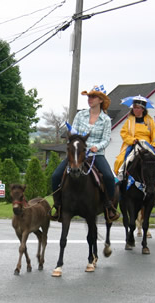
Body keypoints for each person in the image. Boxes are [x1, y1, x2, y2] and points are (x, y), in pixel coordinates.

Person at [50, 87, 119, 222]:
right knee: (56, 175)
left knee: (109, 177)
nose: (90, 100)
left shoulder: (106, 119)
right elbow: (73, 133)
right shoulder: (80, 115)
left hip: (96, 154)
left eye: (93, 97)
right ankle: (58, 206)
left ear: (100, 100)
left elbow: (106, 139)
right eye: (89, 97)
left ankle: (108, 206)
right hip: (78, 153)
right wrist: (77, 143)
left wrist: (96, 147)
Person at [113, 98, 155, 189]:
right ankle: (120, 178)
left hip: (148, 145)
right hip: (134, 144)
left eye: (137, 108)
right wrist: (132, 140)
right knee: (119, 160)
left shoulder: (150, 121)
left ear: (143, 109)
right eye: (134, 108)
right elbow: (124, 133)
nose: (135, 110)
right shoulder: (129, 121)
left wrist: (154, 145)